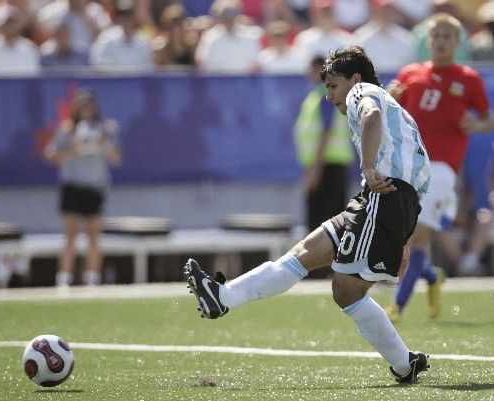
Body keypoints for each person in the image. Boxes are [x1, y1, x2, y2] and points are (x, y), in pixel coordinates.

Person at [185, 45, 432, 384]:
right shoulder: (395, 111)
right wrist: (402, 234)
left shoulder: (364, 92)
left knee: (345, 290)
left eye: (333, 85)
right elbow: (415, 184)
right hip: (379, 199)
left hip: (382, 198)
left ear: (355, 79)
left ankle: (404, 363)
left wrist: (369, 166)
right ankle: (222, 297)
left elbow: (372, 117)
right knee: (303, 254)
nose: (329, 95)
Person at [384, 12, 494, 322]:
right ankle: (432, 278)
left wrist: (477, 123)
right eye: (437, 35)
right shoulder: (409, 74)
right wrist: (389, 99)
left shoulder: (468, 79)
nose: (442, 41)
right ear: (428, 40)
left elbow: (488, 119)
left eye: (448, 36)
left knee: (416, 237)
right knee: (406, 235)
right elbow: (391, 115)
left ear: (458, 42)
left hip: (443, 169)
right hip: (408, 164)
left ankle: (397, 305)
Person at [44, 89, 122, 286]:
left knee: (94, 235)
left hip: (94, 186)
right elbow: (50, 155)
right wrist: (74, 147)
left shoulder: (104, 129)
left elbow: (116, 160)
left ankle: (93, 277)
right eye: (82, 106)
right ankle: (64, 277)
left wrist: (103, 143)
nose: (86, 110)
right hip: (73, 186)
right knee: (70, 234)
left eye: (89, 106)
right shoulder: (68, 129)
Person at [294, 54, 354, 233]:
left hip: (327, 167)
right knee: (332, 225)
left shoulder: (325, 95)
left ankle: (326, 262)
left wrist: (315, 170)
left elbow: (325, 133)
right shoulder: (321, 95)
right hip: (328, 165)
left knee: (322, 226)